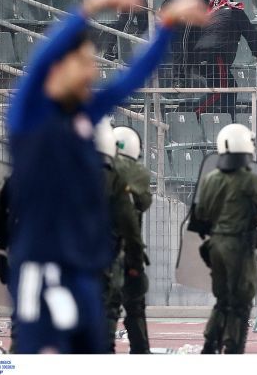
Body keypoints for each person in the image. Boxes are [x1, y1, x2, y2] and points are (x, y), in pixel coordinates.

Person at [5, 0, 208, 354]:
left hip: (82, 269)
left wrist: (166, 25)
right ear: (58, 68)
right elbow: (41, 60)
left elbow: (132, 78)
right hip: (42, 268)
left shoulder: (84, 114)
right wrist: (90, 6)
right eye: (84, 62)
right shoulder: (28, 116)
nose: (93, 70)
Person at [192, 124, 257, 354]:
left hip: (214, 246)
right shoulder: (248, 180)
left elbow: (200, 213)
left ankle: (210, 344)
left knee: (222, 299)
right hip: (238, 246)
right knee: (241, 301)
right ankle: (232, 347)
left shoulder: (210, 179)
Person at [96, 121, 145, 354]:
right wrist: (136, 258)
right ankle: (139, 349)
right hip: (121, 244)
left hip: (92, 246)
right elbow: (140, 207)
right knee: (132, 302)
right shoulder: (133, 173)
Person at [187, 0, 257, 118]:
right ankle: (190, 114)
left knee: (231, 87)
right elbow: (250, 32)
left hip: (200, 57)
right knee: (220, 91)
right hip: (216, 56)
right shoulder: (234, 11)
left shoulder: (210, 15)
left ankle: (228, 118)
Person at [111, 125, 152, 354]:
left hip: (100, 248)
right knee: (135, 305)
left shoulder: (98, 169)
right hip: (128, 246)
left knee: (105, 307)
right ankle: (140, 350)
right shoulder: (138, 172)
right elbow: (143, 203)